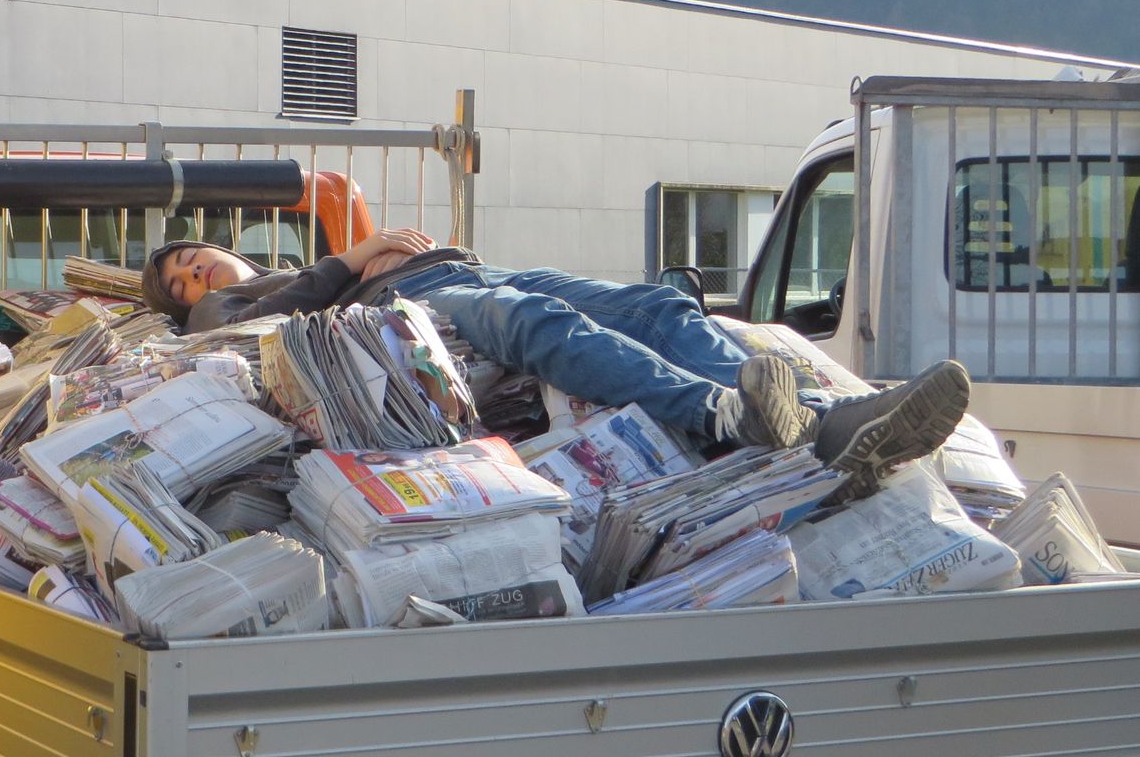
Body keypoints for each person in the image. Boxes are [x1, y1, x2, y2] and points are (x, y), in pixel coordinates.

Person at [138, 229, 971, 487]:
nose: (193, 275)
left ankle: (822, 422)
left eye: (192, 257)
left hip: (464, 269)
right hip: (403, 311)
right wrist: (354, 259)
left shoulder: (290, 259)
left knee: (654, 305)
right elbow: (252, 325)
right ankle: (723, 414)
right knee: (530, 322)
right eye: (177, 283)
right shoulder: (231, 306)